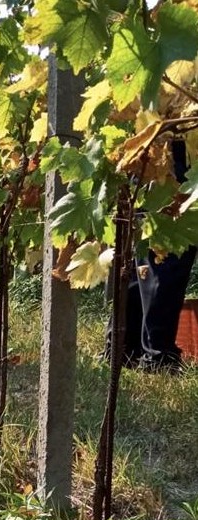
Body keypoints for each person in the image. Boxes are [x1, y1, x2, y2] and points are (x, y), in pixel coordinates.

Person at [108, 139, 197, 372]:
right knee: (166, 260)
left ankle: (125, 349)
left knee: (141, 263)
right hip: (177, 156)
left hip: (151, 150)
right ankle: (158, 358)